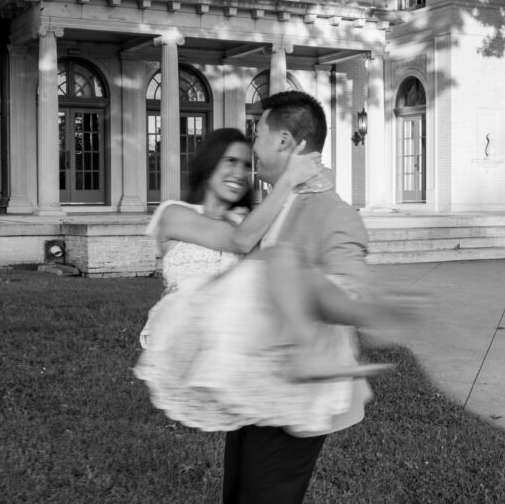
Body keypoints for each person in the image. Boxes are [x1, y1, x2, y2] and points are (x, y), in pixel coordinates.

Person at [134, 128, 392, 436]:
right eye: (230, 161)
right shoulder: (173, 212)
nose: (240, 173)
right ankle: (334, 343)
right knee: (280, 260)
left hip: (228, 329)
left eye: (247, 165)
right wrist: (288, 179)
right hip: (190, 321)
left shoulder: (249, 220)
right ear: (209, 162)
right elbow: (240, 241)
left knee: (293, 272)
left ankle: (338, 349)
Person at [223, 90, 394, 504]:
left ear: (283, 140)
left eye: (257, 133)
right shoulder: (275, 203)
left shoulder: (332, 212)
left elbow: (352, 291)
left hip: (295, 396)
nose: (253, 146)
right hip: (251, 384)